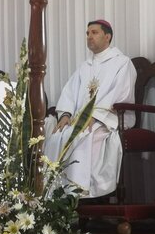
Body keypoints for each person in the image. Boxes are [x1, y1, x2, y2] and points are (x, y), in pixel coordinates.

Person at [44, 20, 137, 198]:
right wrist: (65, 114)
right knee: (57, 135)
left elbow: (121, 94)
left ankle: (80, 192)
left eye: (94, 32)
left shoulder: (122, 63)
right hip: (81, 120)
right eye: (87, 33)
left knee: (83, 136)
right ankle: (57, 193)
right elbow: (69, 93)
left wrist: (96, 116)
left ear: (107, 36)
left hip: (105, 120)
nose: (89, 37)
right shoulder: (85, 66)